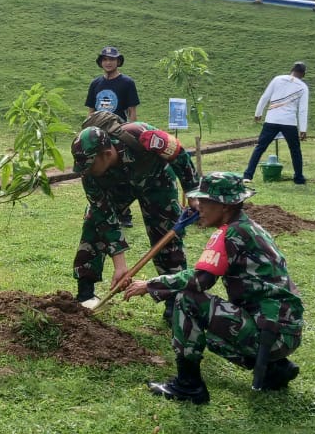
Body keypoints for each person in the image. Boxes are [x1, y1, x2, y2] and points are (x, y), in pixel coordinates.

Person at [122, 172, 303, 404]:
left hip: (270, 333)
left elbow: (199, 280)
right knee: (211, 337)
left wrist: (150, 285)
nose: (198, 207)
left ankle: (188, 386)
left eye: (205, 202)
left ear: (225, 206)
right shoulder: (249, 227)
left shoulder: (230, 233)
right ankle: (276, 369)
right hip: (284, 330)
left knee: (187, 299)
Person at [70, 121, 199, 310]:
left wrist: (193, 193)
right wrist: (120, 266)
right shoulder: (88, 174)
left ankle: (175, 303)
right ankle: (85, 294)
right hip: (119, 187)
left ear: (106, 154)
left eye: (90, 165)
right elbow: (104, 217)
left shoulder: (141, 135)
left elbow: (179, 154)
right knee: (94, 223)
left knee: (166, 236)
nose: (85, 171)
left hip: (157, 181)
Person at [85, 46, 141, 226]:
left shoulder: (127, 83)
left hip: (118, 132)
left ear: (118, 61)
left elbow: (132, 110)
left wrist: (132, 132)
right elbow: (91, 111)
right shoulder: (95, 83)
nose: (108, 62)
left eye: (112, 59)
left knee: (122, 171)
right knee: (97, 170)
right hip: (98, 133)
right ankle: (98, 208)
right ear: (101, 62)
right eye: (104, 59)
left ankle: (124, 213)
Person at [243, 62, 309, 185]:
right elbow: (303, 109)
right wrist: (303, 129)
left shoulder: (277, 79)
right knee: (295, 150)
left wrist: (258, 113)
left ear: (291, 70)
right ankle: (299, 178)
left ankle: (248, 176)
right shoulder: (303, 87)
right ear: (303, 74)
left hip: (272, 120)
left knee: (260, 147)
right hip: (289, 123)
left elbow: (265, 97)